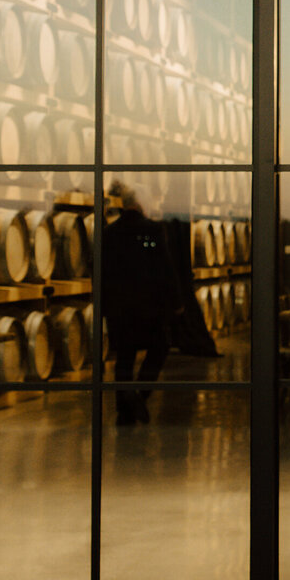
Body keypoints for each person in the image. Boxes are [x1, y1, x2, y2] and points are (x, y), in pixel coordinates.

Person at [102, 182, 183, 425]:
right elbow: (165, 268)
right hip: (148, 307)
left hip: (118, 308)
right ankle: (138, 395)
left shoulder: (108, 232)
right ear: (140, 202)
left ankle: (122, 410)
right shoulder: (153, 230)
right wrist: (176, 301)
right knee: (160, 347)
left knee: (124, 358)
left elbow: (100, 271)